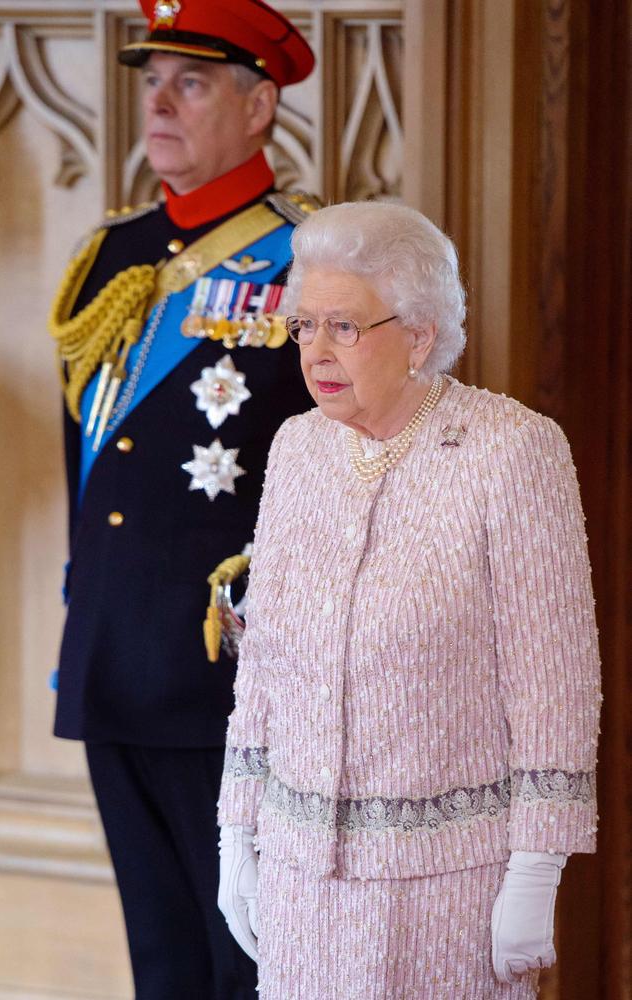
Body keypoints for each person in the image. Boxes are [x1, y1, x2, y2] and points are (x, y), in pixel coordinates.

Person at [216, 201, 602, 999]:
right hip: (299, 881)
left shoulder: (512, 451)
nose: (316, 352)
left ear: (420, 335)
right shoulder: (297, 449)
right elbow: (264, 667)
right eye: (303, 327)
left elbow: (554, 681)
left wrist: (537, 867)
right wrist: (236, 831)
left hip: (448, 888)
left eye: (344, 328)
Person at [47, 2, 315, 997]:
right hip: (114, 651)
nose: (156, 100)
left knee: (244, 957)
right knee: (159, 958)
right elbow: (85, 454)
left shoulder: (309, 261)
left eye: (190, 82)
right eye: (151, 78)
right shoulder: (113, 258)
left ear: (257, 107)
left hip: (230, 674)